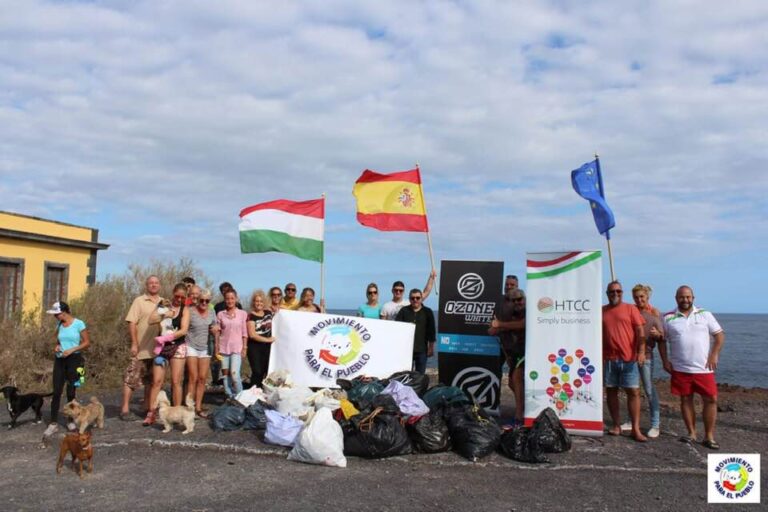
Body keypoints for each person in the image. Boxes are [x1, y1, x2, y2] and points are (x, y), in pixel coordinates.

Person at [659, 286, 725, 450]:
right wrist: (665, 361)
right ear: (676, 298)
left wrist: (714, 355)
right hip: (680, 368)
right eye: (682, 297)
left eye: (688, 297)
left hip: (704, 368)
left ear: (693, 298)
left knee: (711, 399)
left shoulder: (704, 314)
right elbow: (662, 340)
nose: (685, 300)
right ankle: (691, 433)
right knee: (685, 399)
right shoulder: (667, 317)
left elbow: (719, 335)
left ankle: (709, 436)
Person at [603, 280, 647, 441]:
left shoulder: (630, 309)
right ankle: (616, 425)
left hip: (629, 359)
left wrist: (641, 352)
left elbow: (640, 331)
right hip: (609, 360)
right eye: (612, 291)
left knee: (633, 392)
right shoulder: (601, 311)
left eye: (618, 291)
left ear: (622, 293)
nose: (615, 294)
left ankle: (636, 429)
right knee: (611, 392)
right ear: (607, 294)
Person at [42, 301, 91, 437]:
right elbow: (58, 340)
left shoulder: (79, 324)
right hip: (60, 360)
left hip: (74, 360)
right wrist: (57, 346)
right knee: (56, 391)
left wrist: (72, 350)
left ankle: (70, 420)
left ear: (64, 312)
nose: (55, 317)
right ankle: (53, 423)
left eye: (56, 314)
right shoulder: (59, 324)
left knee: (71, 391)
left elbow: (87, 342)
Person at [145, 283, 190, 425]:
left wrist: (168, 338)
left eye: (182, 297)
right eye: (177, 296)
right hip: (161, 348)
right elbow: (151, 320)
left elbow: (183, 330)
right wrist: (164, 313)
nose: (179, 299)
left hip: (177, 345)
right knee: (157, 381)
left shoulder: (185, 310)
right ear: (173, 293)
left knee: (176, 382)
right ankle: (151, 413)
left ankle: (176, 413)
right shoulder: (164, 305)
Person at [120, 275, 164, 421]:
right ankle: (125, 409)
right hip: (141, 348)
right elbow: (132, 322)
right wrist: (134, 342)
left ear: (160, 285)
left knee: (151, 380)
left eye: (156, 283)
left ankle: (146, 407)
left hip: (157, 350)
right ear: (146, 285)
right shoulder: (139, 301)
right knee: (131, 378)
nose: (154, 285)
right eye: (151, 283)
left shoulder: (164, 302)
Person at [489, 288, 526, 424]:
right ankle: (525, 408)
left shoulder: (528, 310)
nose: (517, 302)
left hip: (526, 350)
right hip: (512, 352)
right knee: (511, 383)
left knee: (517, 378)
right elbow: (492, 329)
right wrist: (496, 328)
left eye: (519, 299)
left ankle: (519, 416)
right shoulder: (509, 312)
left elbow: (523, 324)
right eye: (513, 300)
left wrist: (500, 325)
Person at [631, 284, 663, 438]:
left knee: (649, 390)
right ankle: (631, 421)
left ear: (647, 297)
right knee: (632, 390)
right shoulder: (631, 311)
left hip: (647, 358)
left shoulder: (654, 314)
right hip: (630, 357)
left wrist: (658, 334)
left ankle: (655, 424)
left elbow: (662, 337)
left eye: (642, 296)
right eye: (636, 297)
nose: (639, 300)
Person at [185, 287, 218, 418]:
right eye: (201, 300)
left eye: (207, 301)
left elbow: (215, 327)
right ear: (197, 300)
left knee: (202, 378)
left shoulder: (212, 311)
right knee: (193, 377)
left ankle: (198, 407)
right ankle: (189, 407)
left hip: (206, 347)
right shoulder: (190, 311)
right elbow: (184, 327)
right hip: (191, 345)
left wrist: (216, 331)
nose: (204, 303)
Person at [216, 289, 248, 399]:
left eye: (232, 298)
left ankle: (241, 398)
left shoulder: (242, 314)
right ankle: (229, 397)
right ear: (225, 300)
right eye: (227, 299)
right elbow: (217, 332)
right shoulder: (220, 314)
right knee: (225, 376)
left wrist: (245, 347)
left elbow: (244, 332)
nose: (230, 301)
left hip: (237, 348)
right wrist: (216, 348)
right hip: (223, 348)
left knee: (234, 374)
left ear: (236, 299)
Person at [395, 288, 436, 374]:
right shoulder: (403, 311)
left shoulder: (427, 312)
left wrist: (431, 347)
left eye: (417, 298)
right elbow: (397, 328)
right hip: (406, 350)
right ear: (409, 299)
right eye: (412, 298)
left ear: (421, 298)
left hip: (422, 350)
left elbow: (431, 330)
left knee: (419, 376)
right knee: (405, 375)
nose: (415, 300)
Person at [246, 290, 275, 389]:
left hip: (267, 347)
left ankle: (265, 391)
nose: (259, 303)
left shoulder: (268, 313)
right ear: (253, 302)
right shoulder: (250, 316)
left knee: (267, 370)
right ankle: (254, 391)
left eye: (261, 301)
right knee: (257, 371)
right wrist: (268, 340)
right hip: (254, 347)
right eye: (257, 301)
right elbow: (252, 335)